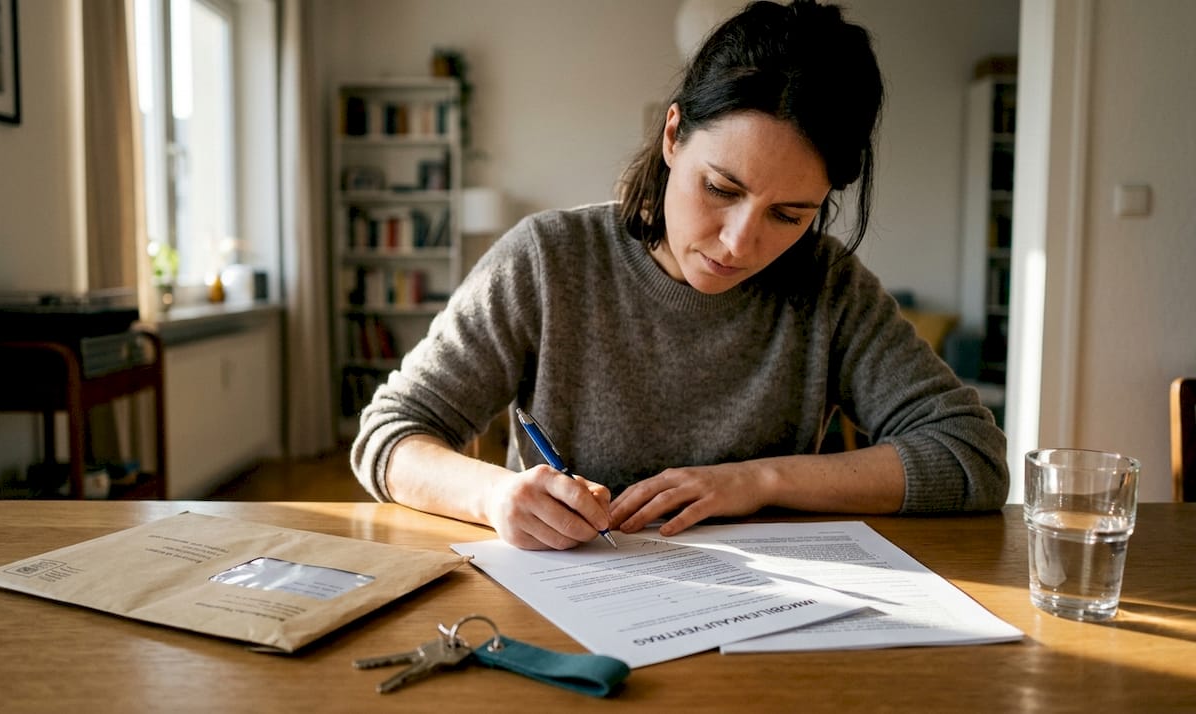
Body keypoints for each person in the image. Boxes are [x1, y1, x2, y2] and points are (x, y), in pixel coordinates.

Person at [351, 0, 1008, 550]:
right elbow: (388, 437)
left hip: (768, 631)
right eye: (721, 188)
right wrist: (495, 496)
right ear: (673, 137)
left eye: (789, 214)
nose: (739, 243)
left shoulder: (827, 285)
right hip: (569, 621)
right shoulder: (549, 259)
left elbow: (971, 455)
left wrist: (759, 481)